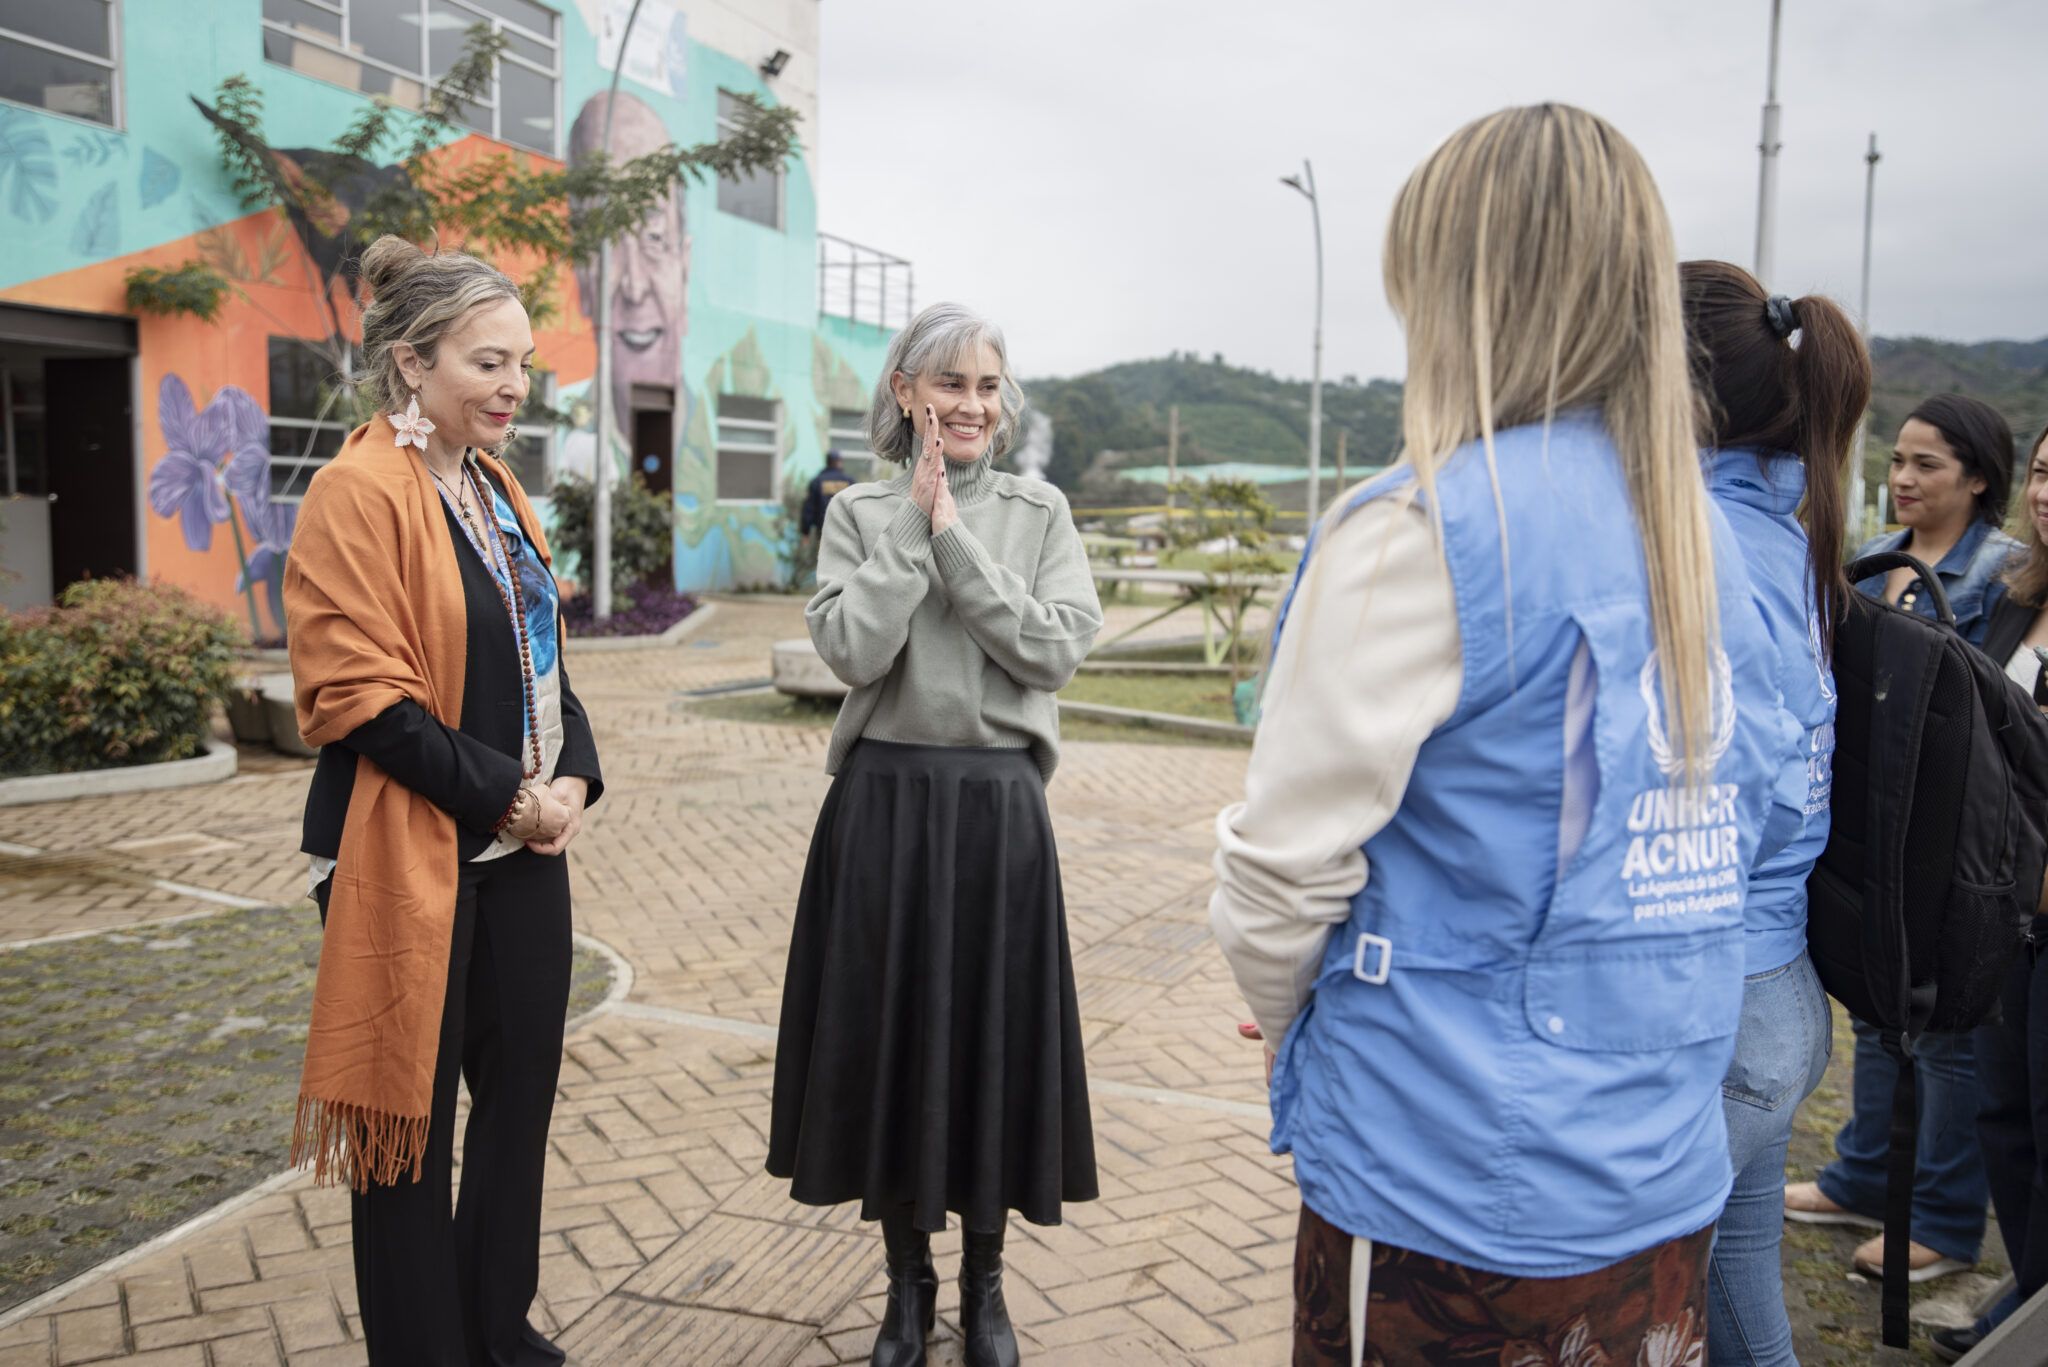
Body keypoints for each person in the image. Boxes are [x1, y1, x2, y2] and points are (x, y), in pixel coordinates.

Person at [1211, 104, 1798, 1365]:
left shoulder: (1423, 527)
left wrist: (1297, 1022)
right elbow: (1753, 833)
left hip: (1446, 1176)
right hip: (1655, 1171)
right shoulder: (1714, 548)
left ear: (1455, 287)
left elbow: (1275, 877)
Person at [284, 236, 603, 1365]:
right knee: (404, 1134)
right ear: (412, 364)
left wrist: (575, 773)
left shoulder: (494, 484)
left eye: (522, 363)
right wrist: (514, 800)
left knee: (518, 1106)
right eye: (486, 362)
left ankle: (495, 1327)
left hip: (524, 852)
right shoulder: (355, 489)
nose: (514, 386)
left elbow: (540, 651)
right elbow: (356, 695)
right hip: (405, 852)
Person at [767, 302, 1104, 1367]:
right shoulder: (861, 509)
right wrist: (913, 520)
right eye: (949, 383)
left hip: (998, 811)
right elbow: (854, 649)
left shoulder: (1038, 510)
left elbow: (1049, 650)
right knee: (891, 1043)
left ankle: (986, 1283)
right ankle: (905, 1286)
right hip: (882, 808)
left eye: (987, 385)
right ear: (906, 390)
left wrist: (954, 533)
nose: (970, 404)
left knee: (990, 1044)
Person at [1680, 261, 1871, 1365]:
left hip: (1723, 1007)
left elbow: (1728, 796)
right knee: (1742, 1299)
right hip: (1779, 987)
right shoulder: (1775, 532)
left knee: (1638, 1308)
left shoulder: (1694, 544)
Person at [1785, 393, 2020, 1284]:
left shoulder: (2006, 573)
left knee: (1946, 1027)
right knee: (1879, 1008)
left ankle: (1945, 1221)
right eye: (1899, 461)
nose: (1905, 478)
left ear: (1978, 477)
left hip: (1952, 827)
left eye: (1928, 464)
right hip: (1874, 818)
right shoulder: (1871, 559)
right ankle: (1863, 1177)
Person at [1933, 419, 2048, 1360]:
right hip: (2010, 908)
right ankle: (2030, 1288)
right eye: (2045, 474)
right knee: (2005, 1116)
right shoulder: (2013, 599)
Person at [561, 90, 687, 483]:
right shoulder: (571, 430)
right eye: (609, 245)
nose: (634, 286)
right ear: (582, 275)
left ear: (685, 264)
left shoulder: (710, 431)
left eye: (653, 237)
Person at [800, 449, 856, 538]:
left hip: (823, 531)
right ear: (839, 462)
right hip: (845, 531)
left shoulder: (817, 481)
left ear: (827, 462)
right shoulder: (849, 481)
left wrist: (805, 531)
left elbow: (809, 508)